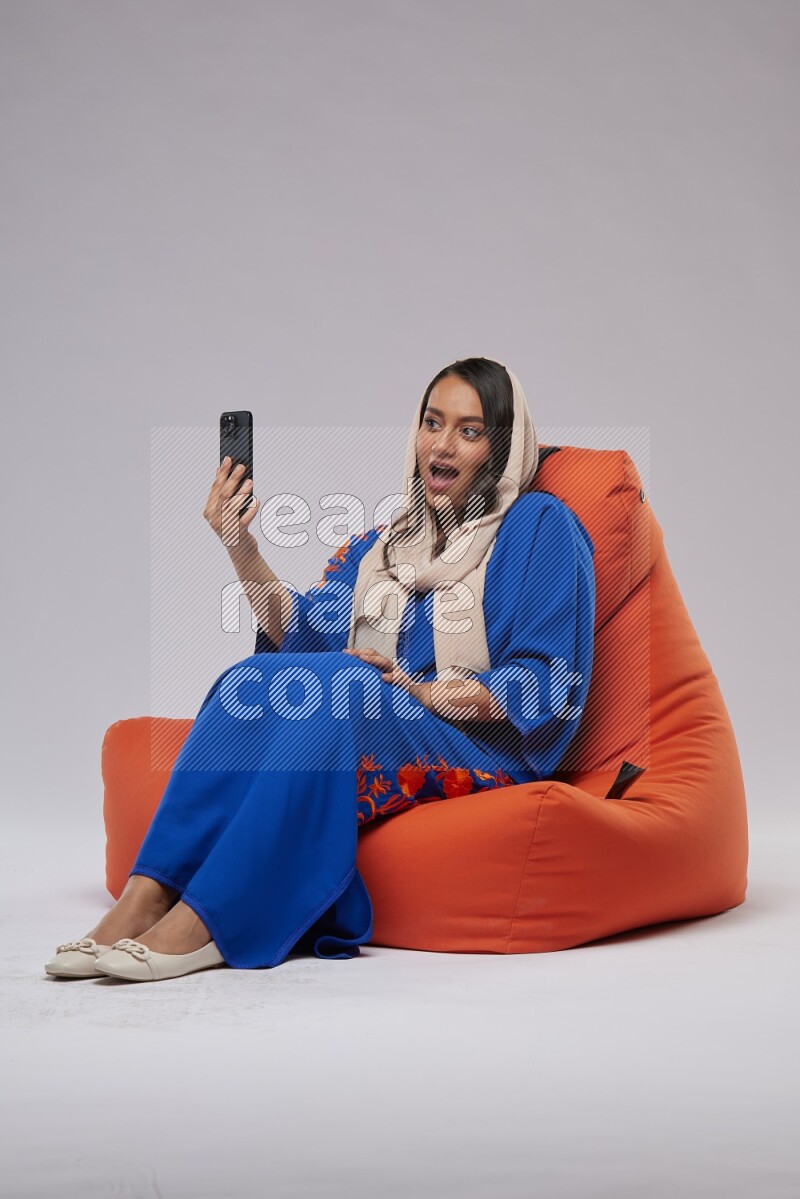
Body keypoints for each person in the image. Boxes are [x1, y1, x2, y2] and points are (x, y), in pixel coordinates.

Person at [45, 357, 596, 983]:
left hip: (482, 744)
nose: (441, 445)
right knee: (247, 682)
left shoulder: (541, 526)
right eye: (431, 423)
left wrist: (422, 691)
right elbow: (302, 634)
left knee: (344, 688)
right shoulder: (387, 545)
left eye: (469, 432)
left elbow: (550, 684)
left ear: (501, 449)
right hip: (379, 710)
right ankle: (146, 896)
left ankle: (211, 921)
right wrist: (240, 545)